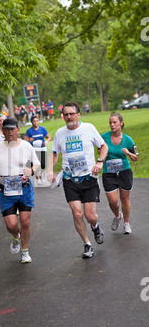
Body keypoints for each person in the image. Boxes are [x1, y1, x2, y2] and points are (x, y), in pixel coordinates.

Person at [47, 102, 108, 259]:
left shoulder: (88, 128)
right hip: (70, 179)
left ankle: (95, 226)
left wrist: (100, 161)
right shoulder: (60, 133)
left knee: (90, 215)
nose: (68, 117)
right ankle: (87, 244)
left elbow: (103, 146)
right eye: (65, 114)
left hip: (89, 178)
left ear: (78, 114)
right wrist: (49, 170)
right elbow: (54, 154)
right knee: (76, 213)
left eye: (71, 114)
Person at [0, 118, 40, 263]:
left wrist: (31, 170)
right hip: (5, 191)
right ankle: (16, 236)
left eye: (13, 129)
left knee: (25, 222)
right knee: (11, 225)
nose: (10, 132)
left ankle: (25, 251)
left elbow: (36, 163)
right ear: (2, 130)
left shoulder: (26, 146)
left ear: (17, 129)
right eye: (7, 129)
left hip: (24, 189)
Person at [100, 113, 138, 234]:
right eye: (110, 122)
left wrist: (128, 153)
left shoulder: (128, 139)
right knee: (112, 201)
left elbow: (135, 158)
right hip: (109, 172)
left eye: (114, 122)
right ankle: (117, 216)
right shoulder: (103, 137)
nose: (112, 125)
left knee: (125, 199)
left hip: (124, 172)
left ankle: (126, 224)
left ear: (121, 123)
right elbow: (99, 150)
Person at [24, 116, 51, 184]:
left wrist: (47, 141)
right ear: (32, 122)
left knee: (43, 164)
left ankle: (42, 174)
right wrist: (28, 139)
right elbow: (25, 140)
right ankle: (38, 178)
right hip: (33, 149)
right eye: (34, 121)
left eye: (37, 121)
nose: (36, 122)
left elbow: (49, 137)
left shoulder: (42, 129)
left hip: (42, 148)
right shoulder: (29, 130)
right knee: (35, 164)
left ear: (38, 121)